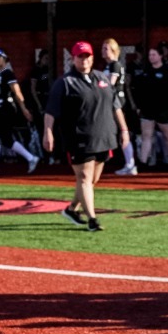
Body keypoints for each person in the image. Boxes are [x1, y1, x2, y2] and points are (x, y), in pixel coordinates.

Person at [44, 40, 127, 231]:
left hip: (104, 136)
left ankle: (72, 209)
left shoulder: (102, 78)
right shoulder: (65, 82)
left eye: (87, 56)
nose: (84, 60)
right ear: (73, 58)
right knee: (83, 178)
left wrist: (124, 130)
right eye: (80, 56)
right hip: (79, 138)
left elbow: (116, 106)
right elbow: (50, 111)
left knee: (92, 180)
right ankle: (92, 219)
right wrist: (48, 133)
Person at [0, 49, 40, 176]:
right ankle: (31, 158)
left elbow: (17, 92)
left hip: (6, 108)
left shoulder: (8, 73)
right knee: (6, 139)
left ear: (5, 59)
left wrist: (24, 109)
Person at [132, 45, 168, 167]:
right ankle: (143, 162)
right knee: (146, 136)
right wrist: (139, 106)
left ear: (160, 56)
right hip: (148, 109)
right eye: (149, 55)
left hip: (163, 109)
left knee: (167, 135)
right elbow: (139, 91)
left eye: (154, 54)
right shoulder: (145, 72)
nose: (151, 57)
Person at [101, 38, 140, 176]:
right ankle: (127, 163)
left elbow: (110, 85)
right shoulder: (109, 66)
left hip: (118, 103)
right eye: (103, 48)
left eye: (106, 48)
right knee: (117, 133)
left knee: (123, 133)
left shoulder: (115, 65)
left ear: (113, 50)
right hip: (114, 102)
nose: (103, 51)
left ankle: (130, 164)